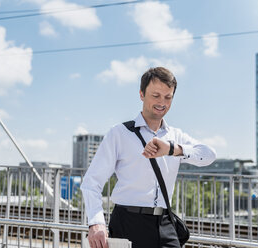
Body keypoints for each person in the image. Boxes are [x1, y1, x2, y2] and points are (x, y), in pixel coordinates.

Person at [81, 67, 217, 248]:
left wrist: (171, 149)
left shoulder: (175, 136)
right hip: (127, 222)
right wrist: (96, 222)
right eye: (156, 95)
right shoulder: (119, 133)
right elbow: (92, 182)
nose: (162, 102)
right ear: (141, 94)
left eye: (168, 97)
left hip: (165, 223)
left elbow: (209, 155)